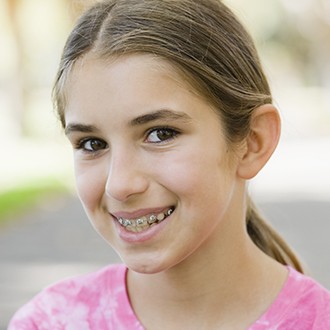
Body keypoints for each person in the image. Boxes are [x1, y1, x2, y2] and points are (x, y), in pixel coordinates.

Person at [8, 0, 330, 329]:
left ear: (252, 142)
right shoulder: (49, 322)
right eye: (92, 144)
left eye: (160, 134)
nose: (119, 184)